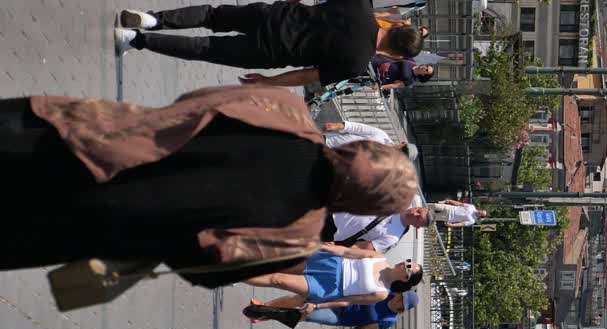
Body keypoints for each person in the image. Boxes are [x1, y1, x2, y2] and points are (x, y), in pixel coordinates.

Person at [0, 86, 416, 282]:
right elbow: (202, 272)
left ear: (360, 147)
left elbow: (190, 101)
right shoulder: (296, 238)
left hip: (68, 136)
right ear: (362, 204)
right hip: (77, 225)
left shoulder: (284, 110)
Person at [115, 3, 423, 87]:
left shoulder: (361, 7)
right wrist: (267, 83)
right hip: (273, 51)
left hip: (275, 14)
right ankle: (136, 39)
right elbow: (307, 76)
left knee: (213, 16)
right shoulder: (357, 63)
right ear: (395, 55)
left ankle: (151, 19)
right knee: (205, 48)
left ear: (397, 25)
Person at [241, 249, 423, 314]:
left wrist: (317, 306)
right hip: (329, 264)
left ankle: (232, 275)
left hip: (330, 288)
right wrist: (322, 246)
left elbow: (347, 301)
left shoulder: (381, 293)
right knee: (280, 265)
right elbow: (346, 252)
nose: (405, 263)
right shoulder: (378, 257)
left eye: (408, 267)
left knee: (278, 280)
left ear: (406, 278)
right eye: (408, 261)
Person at [244, 291, 417, 329]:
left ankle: (264, 315)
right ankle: (264, 306)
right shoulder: (387, 293)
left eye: (402, 301)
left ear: (403, 307)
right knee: (301, 298)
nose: (398, 298)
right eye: (402, 295)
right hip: (339, 299)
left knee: (303, 314)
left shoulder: (389, 320)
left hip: (339, 317)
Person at [328, 205, 437, 254]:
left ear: (417, 226)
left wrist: (334, 248)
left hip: (332, 231)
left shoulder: (393, 237)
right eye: (418, 210)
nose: (414, 213)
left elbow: (363, 248)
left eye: (418, 217)